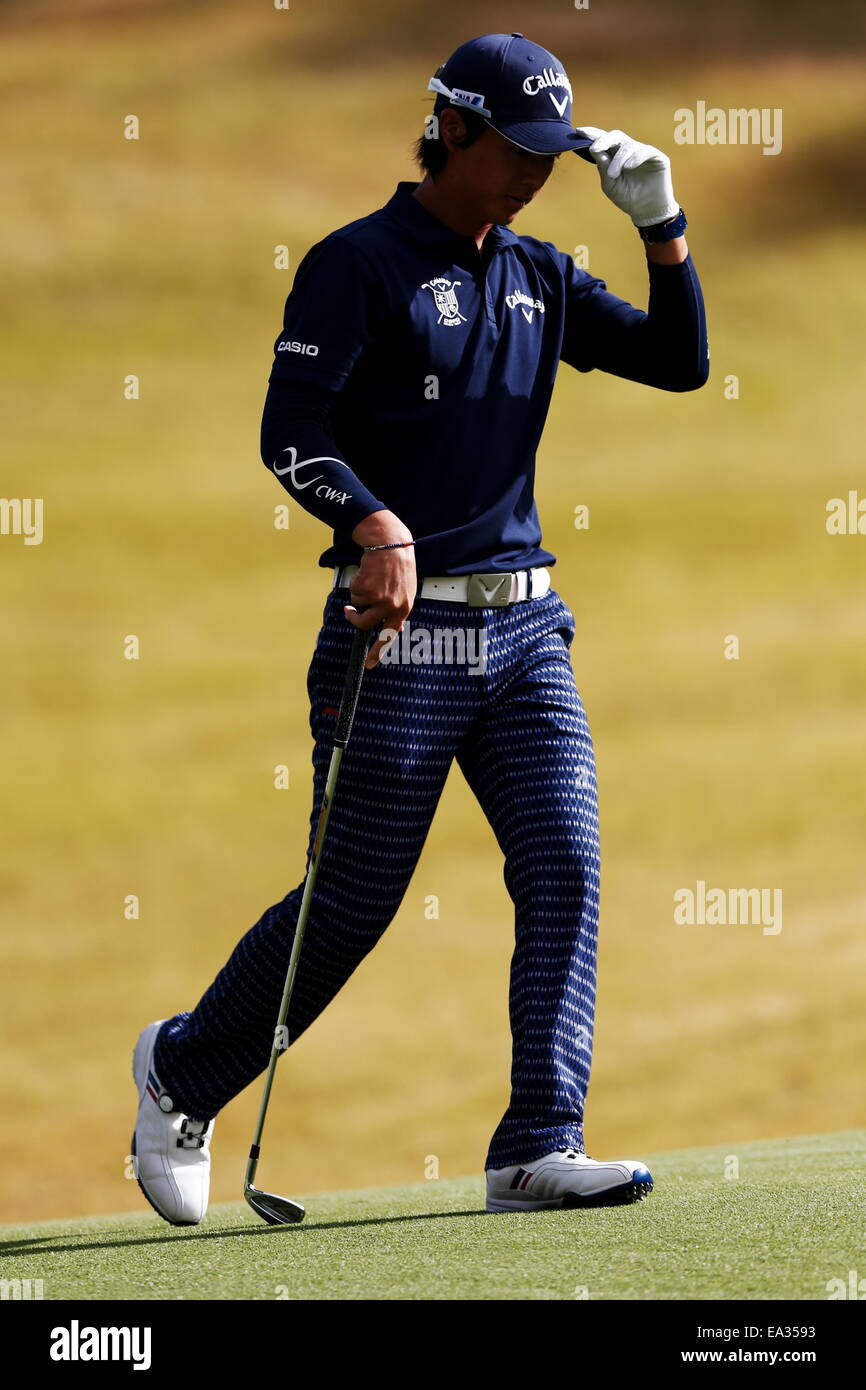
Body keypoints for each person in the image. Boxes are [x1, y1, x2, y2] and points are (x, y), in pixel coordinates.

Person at [130, 32, 708, 1225]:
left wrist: (662, 228)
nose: (534, 172)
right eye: (513, 148)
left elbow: (679, 362)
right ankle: (180, 1071)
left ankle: (535, 1145)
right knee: (350, 904)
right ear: (448, 126)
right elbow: (289, 430)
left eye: (550, 153)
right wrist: (376, 522)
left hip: (525, 630)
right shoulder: (358, 264)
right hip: (401, 640)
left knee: (564, 863)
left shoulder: (538, 274)